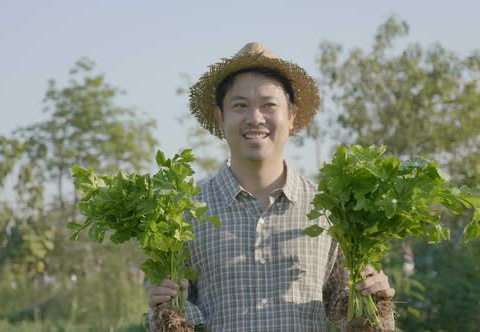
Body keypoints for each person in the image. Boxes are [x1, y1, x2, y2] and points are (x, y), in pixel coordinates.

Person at [146, 42, 395, 331]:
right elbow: (175, 315)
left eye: (269, 105)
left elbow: (342, 309)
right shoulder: (185, 211)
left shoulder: (329, 208)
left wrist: (373, 301)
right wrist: (163, 309)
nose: (255, 118)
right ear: (219, 117)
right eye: (240, 106)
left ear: (290, 116)